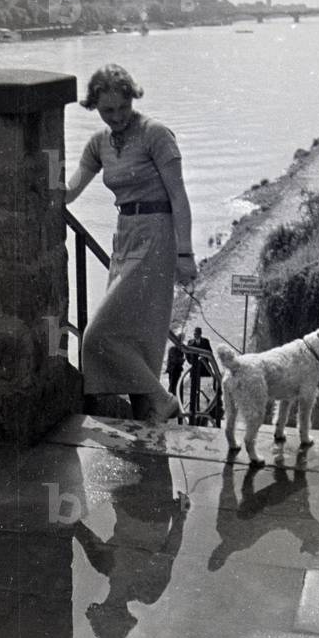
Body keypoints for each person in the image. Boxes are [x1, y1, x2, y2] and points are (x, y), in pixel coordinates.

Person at [65, 64, 196, 421]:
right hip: (124, 236)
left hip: (157, 235)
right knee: (132, 334)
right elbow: (69, 192)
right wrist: (43, 170)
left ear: (132, 99)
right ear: (94, 106)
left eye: (123, 107)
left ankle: (159, 399)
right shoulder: (98, 143)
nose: (117, 116)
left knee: (97, 336)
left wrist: (185, 253)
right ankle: (148, 413)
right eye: (108, 110)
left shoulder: (156, 134)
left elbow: (179, 197)